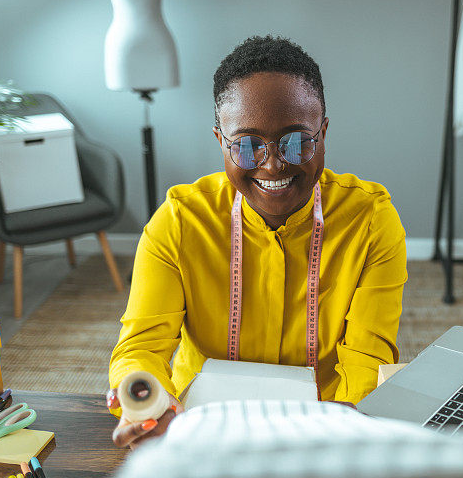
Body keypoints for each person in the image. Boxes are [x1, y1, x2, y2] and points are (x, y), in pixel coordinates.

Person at [106, 35, 407, 449]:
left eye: (297, 141)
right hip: (200, 424)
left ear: (323, 133)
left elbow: (367, 360)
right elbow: (141, 347)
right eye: (247, 145)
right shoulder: (179, 222)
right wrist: (144, 398)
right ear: (220, 141)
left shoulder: (370, 220)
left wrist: (345, 434)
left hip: (323, 421)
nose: (272, 164)